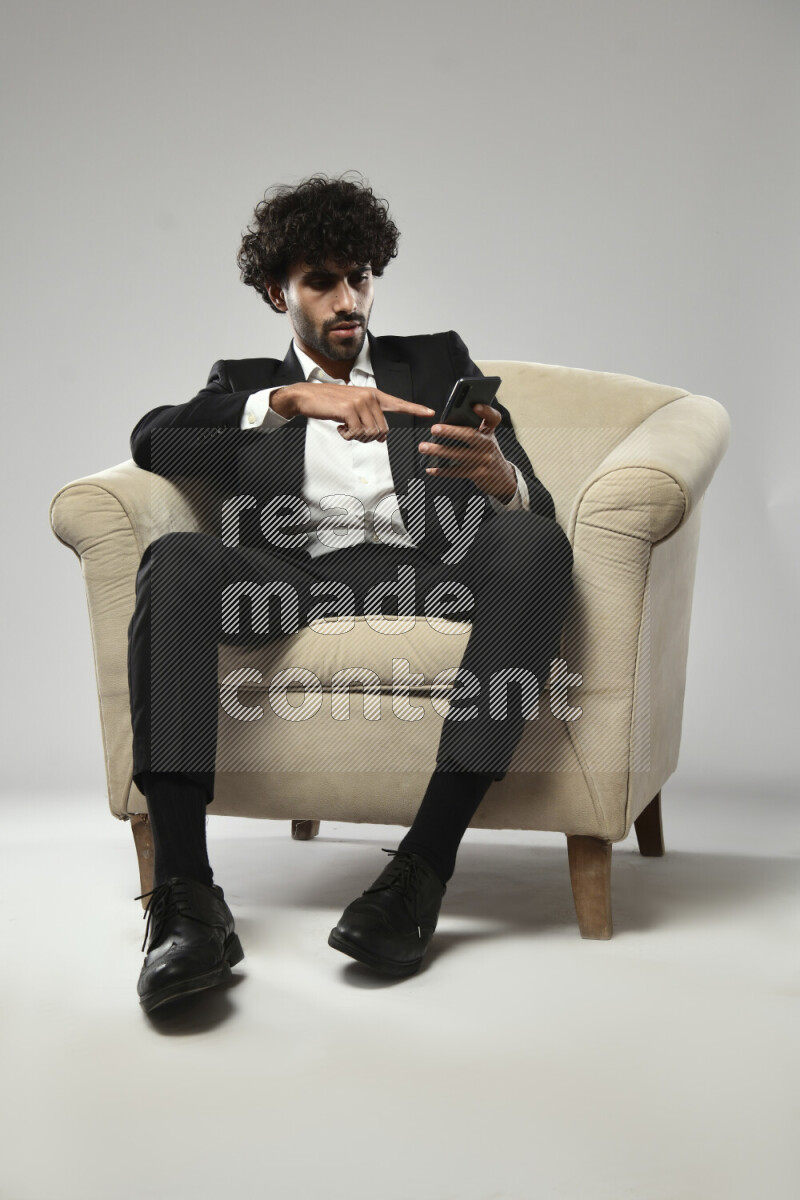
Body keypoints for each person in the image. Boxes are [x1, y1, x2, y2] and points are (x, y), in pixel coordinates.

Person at [128, 173, 573, 1013]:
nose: (348, 299)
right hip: (296, 582)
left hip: (431, 572)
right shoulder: (246, 383)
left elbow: (531, 491)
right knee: (178, 561)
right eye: (321, 280)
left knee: (533, 539)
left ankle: (419, 870)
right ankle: (184, 901)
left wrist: (505, 478)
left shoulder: (436, 358)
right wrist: (288, 399)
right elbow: (152, 441)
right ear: (277, 291)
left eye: (361, 275)